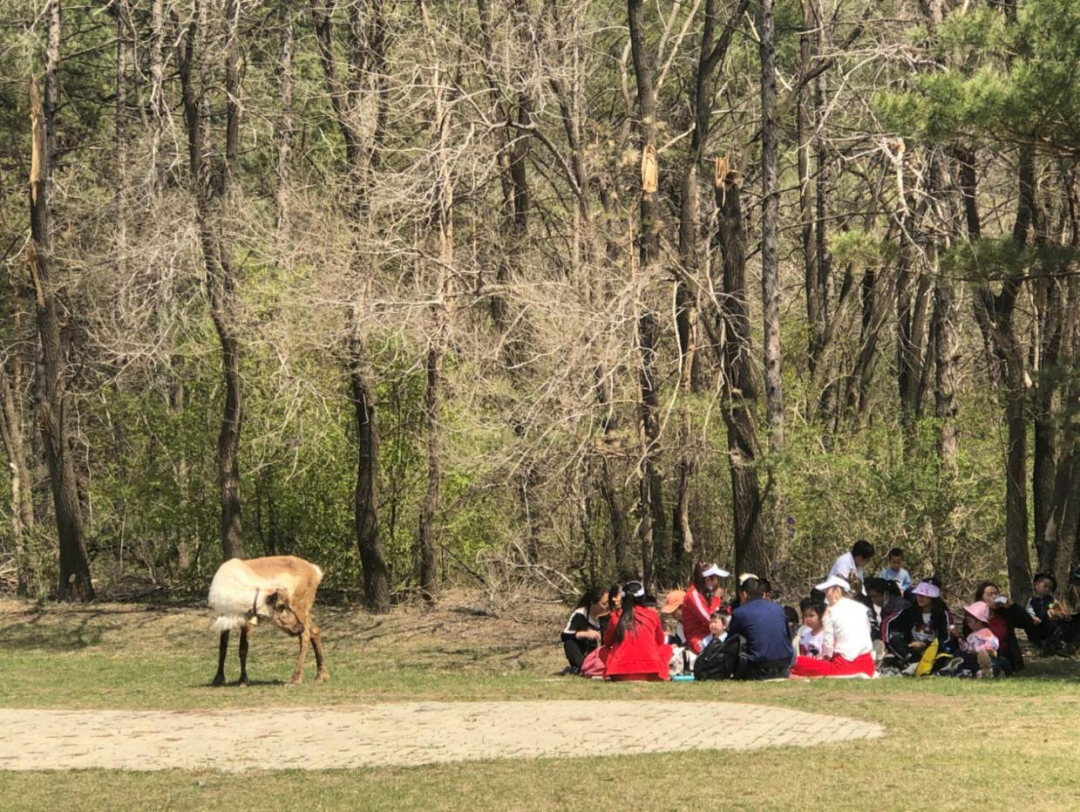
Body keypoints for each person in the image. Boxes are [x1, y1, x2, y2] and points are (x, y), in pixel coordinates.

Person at [791, 576, 875, 678]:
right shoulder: (861, 608)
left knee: (798, 662)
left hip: (845, 666)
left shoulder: (830, 611)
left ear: (837, 591)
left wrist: (826, 658)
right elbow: (868, 631)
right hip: (868, 665)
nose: (826, 597)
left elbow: (828, 645)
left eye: (827, 592)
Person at [725, 577, 794, 680]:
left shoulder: (739, 613)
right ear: (763, 594)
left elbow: (729, 644)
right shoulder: (779, 609)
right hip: (784, 666)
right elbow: (788, 637)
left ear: (744, 594)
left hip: (757, 669)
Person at [602, 581, 671, 681]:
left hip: (619, 673)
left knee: (602, 650)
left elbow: (607, 642)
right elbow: (660, 641)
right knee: (666, 648)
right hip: (651, 672)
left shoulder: (616, 616)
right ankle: (661, 675)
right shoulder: (652, 616)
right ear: (643, 598)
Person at [882, 580, 954, 666]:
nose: (920, 597)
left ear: (933, 598)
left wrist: (925, 645)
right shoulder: (910, 611)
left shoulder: (943, 614)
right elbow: (887, 622)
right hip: (911, 649)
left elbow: (946, 639)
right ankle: (914, 663)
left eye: (924, 595)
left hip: (933, 650)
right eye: (919, 594)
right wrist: (885, 644)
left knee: (947, 647)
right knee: (895, 640)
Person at [972, 581, 1035, 673]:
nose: (994, 597)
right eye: (990, 594)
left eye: (996, 594)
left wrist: (1012, 605)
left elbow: (1028, 622)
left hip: (1004, 656)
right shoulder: (974, 618)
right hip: (982, 656)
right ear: (981, 599)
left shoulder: (1005, 614)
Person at [682, 562, 728, 654]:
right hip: (698, 640)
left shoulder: (703, 595)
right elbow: (709, 618)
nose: (718, 583)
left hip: (710, 636)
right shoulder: (692, 595)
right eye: (716, 579)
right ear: (708, 580)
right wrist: (716, 598)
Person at [560, 587, 609, 674]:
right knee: (569, 643)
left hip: (601, 654)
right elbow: (564, 635)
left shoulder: (607, 617)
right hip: (584, 653)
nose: (607, 606)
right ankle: (581, 668)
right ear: (593, 603)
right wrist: (584, 634)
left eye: (608, 603)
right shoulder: (580, 614)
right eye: (604, 604)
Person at [946, 600, 1000, 678]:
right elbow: (968, 648)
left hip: (983, 656)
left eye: (970, 621)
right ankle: (976, 672)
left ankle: (988, 670)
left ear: (980, 621)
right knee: (960, 654)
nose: (968, 624)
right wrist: (961, 641)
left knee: (993, 662)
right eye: (968, 622)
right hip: (972, 656)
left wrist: (982, 650)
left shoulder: (985, 632)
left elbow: (992, 642)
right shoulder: (971, 636)